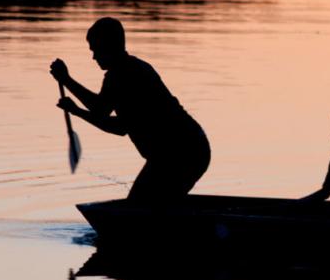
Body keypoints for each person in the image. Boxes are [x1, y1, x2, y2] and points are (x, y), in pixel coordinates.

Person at [50, 17, 210, 204]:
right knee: (150, 204)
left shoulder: (123, 74)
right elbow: (118, 125)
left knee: (140, 207)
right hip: (184, 151)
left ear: (109, 46)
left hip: (180, 153)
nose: (94, 57)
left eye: (95, 50)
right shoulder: (128, 70)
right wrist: (75, 106)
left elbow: (100, 111)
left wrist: (69, 86)